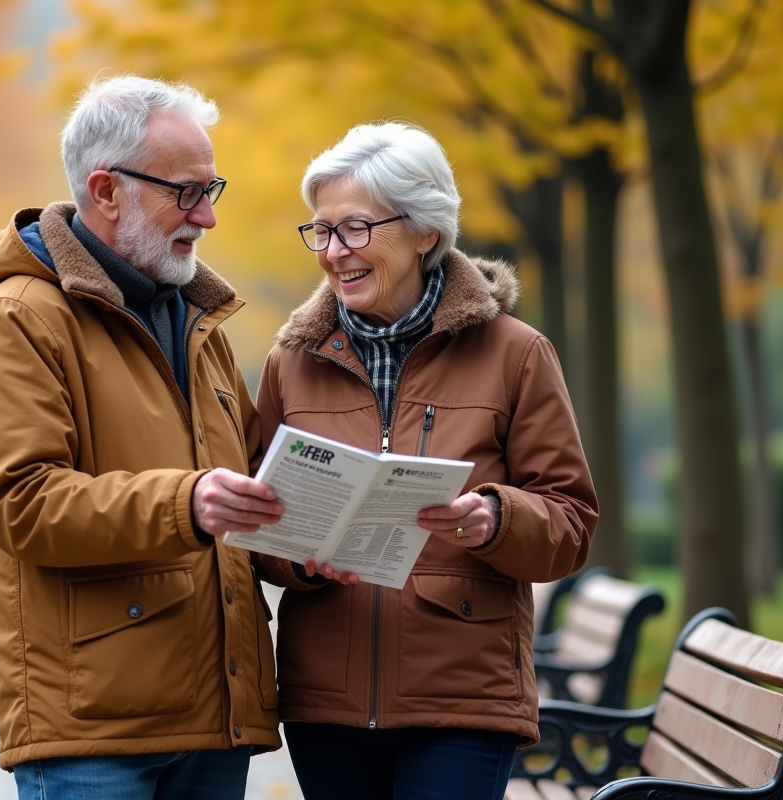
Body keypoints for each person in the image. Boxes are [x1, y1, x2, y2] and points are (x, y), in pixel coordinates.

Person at [0, 75, 284, 800]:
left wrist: (320, 539)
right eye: (186, 193)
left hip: (217, 718)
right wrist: (188, 504)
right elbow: (21, 504)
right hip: (92, 732)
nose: (207, 218)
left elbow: (247, 486)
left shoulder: (199, 326)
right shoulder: (15, 323)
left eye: (211, 190)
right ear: (107, 190)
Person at [253, 121, 599, 800]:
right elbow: (257, 529)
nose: (332, 252)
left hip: (464, 699)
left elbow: (572, 523)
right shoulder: (288, 364)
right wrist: (297, 555)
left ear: (424, 232)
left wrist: (493, 518)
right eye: (320, 231)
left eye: (354, 229)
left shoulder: (517, 353)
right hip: (326, 699)